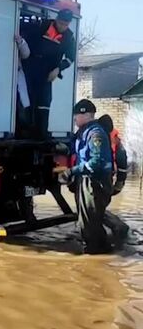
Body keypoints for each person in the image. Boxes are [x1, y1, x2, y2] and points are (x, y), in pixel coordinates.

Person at [59, 99, 114, 253]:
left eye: (76, 115)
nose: (74, 118)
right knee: (87, 224)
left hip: (95, 183)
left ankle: (97, 255)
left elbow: (96, 162)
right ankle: (98, 251)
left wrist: (72, 171)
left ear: (87, 115)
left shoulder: (96, 134)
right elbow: (72, 147)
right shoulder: (82, 132)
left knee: (90, 225)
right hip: (85, 181)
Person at [21, 9, 76, 139]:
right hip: (31, 68)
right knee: (27, 99)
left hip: (48, 73)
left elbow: (70, 57)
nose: (63, 27)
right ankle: (26, 130)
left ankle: (42, 133)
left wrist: (58, 69)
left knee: (45, 102)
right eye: (61, 23)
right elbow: (27, 37)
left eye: (66, 24)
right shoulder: (43, 26)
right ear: (56, 19)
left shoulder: (69, 36)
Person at [97, 114, 130, 240]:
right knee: (97, 208)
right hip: (106, 179)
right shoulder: (113, 139)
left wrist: (118, 187)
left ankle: (117, 230)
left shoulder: (111, 139)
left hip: (103, 179)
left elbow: (122, 162)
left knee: (97, 209)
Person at [15, 33, 31, 137]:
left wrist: (21, 42)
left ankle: (22, 131)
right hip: (1, 81)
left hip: (16, 78)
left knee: (21, 107)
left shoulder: (17, 38)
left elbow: (26, 54)